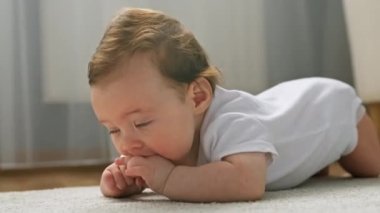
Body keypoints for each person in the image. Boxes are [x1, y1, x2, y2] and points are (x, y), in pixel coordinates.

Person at [88, 8, 380, 202]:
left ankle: (318, 158)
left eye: (141, 123)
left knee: (371, 170)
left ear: (198, 98)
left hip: (332, 110)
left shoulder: (232, 121)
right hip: (291, 112)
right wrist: (119, 181)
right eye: (113, 129)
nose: (127, 144)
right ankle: (310, 164)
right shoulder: (166, 135)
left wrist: (167, 178)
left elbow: (246, 183)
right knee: (302, 167)